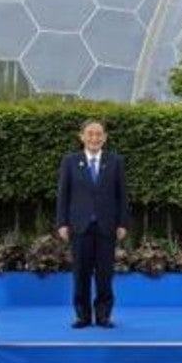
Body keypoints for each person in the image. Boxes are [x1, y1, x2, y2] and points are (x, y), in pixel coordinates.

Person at [56, 119, 130, 329]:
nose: (94, 138)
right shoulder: (70, 161)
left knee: (105, 274)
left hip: (107, 226)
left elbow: (122, 196)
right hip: (80, 226)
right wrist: (62, 222)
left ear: (105, 137)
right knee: (80, 273)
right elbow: (63, 194)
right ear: (82, 137)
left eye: (98, 134)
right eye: (90, 134)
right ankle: (83, 316)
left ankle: (104, 315)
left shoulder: (115, 161)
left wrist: (122, 223)